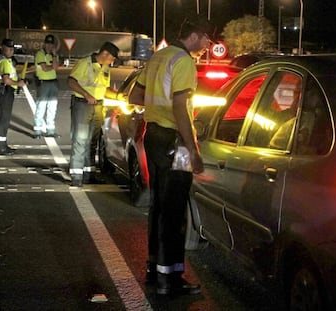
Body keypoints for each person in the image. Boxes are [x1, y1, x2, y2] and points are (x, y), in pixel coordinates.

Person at [129, 16, 213, 296]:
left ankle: (155, 269)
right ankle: (171, 280)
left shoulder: (159, 57)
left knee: (158, 206)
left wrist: (158, 104)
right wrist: (194, 149)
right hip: (174, 142)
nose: (207, 46)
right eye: (207, 40)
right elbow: (180, 107)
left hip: (153, 136)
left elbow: (135, 96)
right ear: (197, 35)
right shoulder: (184, 61)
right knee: (174, 210)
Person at [67, 41, 119, 187]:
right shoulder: (85, 63)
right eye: (112, 58)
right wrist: (86, 94)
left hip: (98, 107)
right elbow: (71, 81)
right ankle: (76, 176)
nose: (112, 61)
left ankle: (88, 174)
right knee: (80, 139)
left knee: (92, 141)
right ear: (105, 54)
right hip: (82, 104)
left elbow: (104, 89)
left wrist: (118, 96)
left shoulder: (106, 68)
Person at [0, 38, 26, 155]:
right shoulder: (4, 61)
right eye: (9, 48)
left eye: (12, 49)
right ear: (2, 47)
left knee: (4, 118)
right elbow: (6, 80)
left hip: (4, 91)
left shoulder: (6, 60)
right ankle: (0, 147)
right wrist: (18, 83)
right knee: (4, 119)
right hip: (4, 91)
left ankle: (2, 144)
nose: (11, 51)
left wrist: (18, 81)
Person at [33, 34, 60, 139]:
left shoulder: (53, 55)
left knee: (52, 107)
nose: (49, 46)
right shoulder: (40, 54)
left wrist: (54, 57)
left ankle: (50, 131)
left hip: (53, 83)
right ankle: (38, 131)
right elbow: (44, 68)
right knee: (41, 106)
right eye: (47, 43)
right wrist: (52, 66)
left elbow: (56, 67)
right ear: (44, 44)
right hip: (43, 83)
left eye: (51, 44)